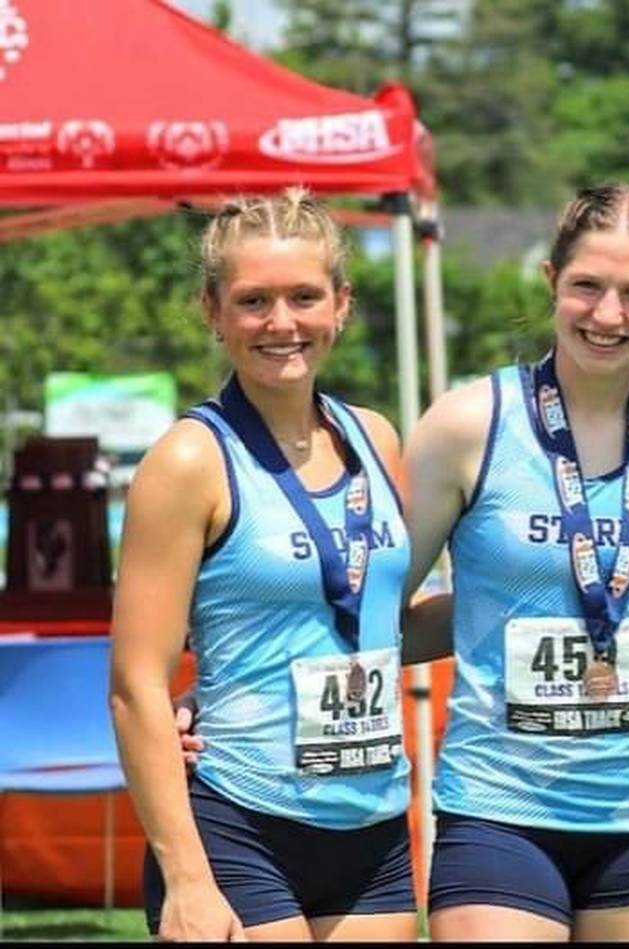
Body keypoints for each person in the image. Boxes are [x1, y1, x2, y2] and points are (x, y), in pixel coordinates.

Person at [400, 183, 629, 942]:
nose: (607, 315)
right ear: (552, 282)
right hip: (500, 807)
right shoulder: (467, 425)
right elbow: (375, 612)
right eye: (587, 285)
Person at [110, 190, 416, 941]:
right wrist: (186, 875)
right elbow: (135, 685)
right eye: (254, 301)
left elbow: (388, 624)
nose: (282, 323)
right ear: (213, 312)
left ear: (341, 303)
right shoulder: (189, 459)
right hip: (239, 820)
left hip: (372, 825)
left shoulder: (375, 436)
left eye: (304, 296)